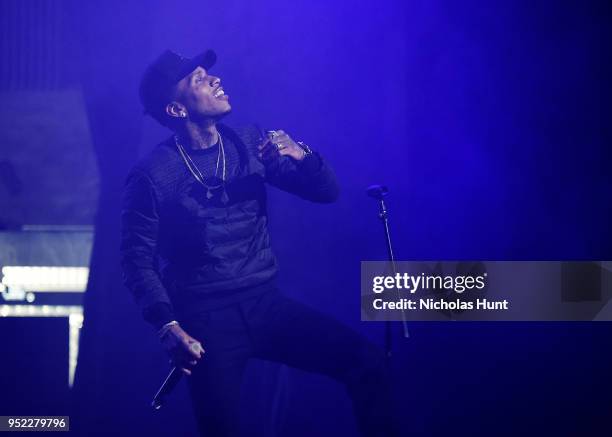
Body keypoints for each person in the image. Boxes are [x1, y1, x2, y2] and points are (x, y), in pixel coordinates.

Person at [120, 49, 398, 437]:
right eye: (198, 79)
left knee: (366, 363)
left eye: (209, 74)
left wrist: (303, 156)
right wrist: (167, 324)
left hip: (266, 304)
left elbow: (327, 193)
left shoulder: (248, 142)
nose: (214, 79)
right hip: (207, 323)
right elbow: (136, 259)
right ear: (176, 110)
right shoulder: (152, 175)